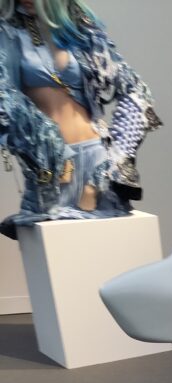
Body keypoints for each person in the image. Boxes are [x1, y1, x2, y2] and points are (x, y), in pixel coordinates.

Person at [0, 0, 160, 240]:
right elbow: (4, 98)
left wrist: (117, 161)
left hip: (98, 161)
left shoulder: (80, 28)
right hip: (51, 170)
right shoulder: (8, 32)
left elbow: (135, 91)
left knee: (110, 251)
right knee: (58, 254)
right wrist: (47, 144)